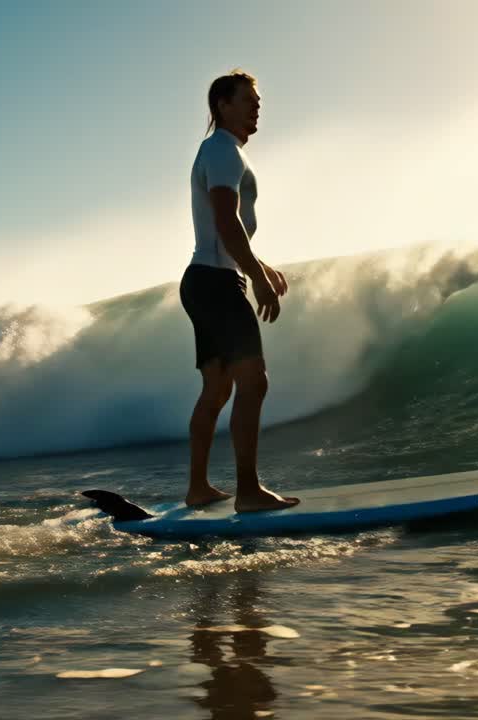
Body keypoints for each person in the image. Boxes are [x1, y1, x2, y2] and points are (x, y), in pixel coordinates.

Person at [179, 70, 299, 512]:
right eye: (248, 99)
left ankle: (198, 488)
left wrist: (258, 265)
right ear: (222, 105)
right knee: (254, 381)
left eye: (258, 100)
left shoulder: (216, 151)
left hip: (201, 279)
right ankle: (248, 491)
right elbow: (227, 223)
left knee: (217, 389)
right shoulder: (224, 151)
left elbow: (222, 232)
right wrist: (259, 279)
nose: (256, 106)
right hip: (216, 282)